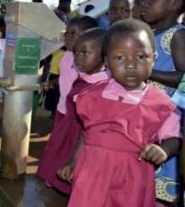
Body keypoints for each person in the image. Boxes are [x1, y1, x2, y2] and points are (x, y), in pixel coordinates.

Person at [58, 19, 181, 207]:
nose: (130, 65)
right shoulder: (91, 95)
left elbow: (174, 137)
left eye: (140, 57)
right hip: (91, 175)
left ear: (154, 58)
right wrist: (72, 162)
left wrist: (164, 150)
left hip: (132, 179)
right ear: (106, 61)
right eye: (120, 58)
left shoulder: (161, 104)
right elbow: (86, 135)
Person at [38, 28, 108, 194]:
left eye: (85, 53)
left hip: (82, 136)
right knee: (59, 155)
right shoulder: (84, 77)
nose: (78, 58)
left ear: (105, 56)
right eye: (76, 52)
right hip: (69, 126)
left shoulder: (103, 86)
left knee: (77, 166)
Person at [141, 0, 185, 204]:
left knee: (161, 182)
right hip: (148, 114)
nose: (144, 3)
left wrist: (149, 73)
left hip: (168, 118)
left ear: (175, 4)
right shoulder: (149, 33)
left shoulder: (177, 35)